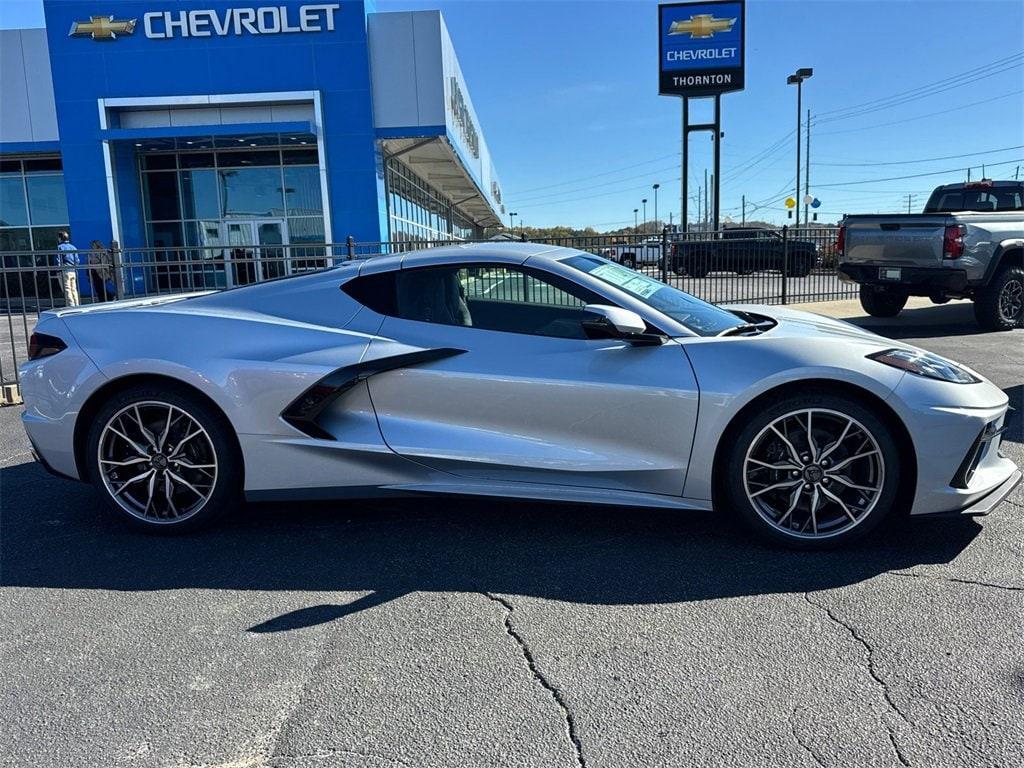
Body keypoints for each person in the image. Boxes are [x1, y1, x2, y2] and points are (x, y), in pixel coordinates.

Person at [56, 231, 79, 307]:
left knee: (67, 289)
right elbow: (77, 260)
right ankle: (76, 304)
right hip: (73, 270)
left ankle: (70, 306)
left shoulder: (60, 247)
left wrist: (58, 269)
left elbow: (58, 260)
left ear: (60, 238)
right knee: (73, 289)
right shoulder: (73, 247)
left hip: (64, 270)